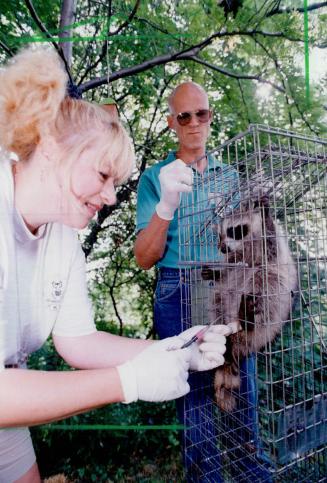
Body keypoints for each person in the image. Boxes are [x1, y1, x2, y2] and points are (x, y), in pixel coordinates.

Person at [0, 50, 229, 483]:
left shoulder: (62, 237)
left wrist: (178, 349)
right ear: (49, 146)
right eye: (103, 176)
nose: (110, 197)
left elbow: (79, 341)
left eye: (115, 184)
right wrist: (127, 382)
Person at [134, 82, 270, 482]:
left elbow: (247, 244)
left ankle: (252, 476)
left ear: (211, 117)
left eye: (202, 114)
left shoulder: (230, 177)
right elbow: (144, 257)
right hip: (178, 289)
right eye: (184, 116)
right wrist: (166, 205)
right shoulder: (155, 177)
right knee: (194, 404)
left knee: (242, 392)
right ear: (171, 123)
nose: (194, 123)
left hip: (226, 291)